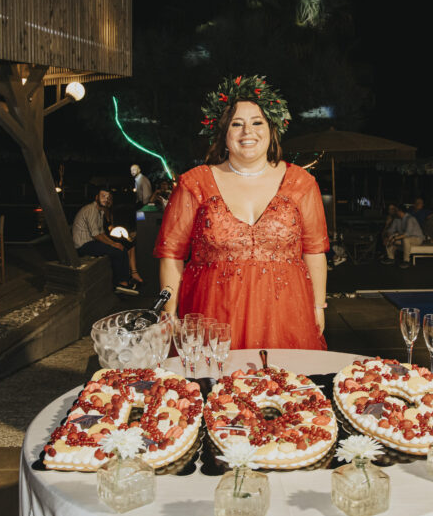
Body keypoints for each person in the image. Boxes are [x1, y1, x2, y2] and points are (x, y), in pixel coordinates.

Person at [155, 75, 328, 350]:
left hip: (286, 318)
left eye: (257, 122)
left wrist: (318, 306)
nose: (248, 132)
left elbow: (314, 250)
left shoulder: (302, 184)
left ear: (272, 129)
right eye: (237, 124)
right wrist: (169, 312)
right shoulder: (194, 184)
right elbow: (171, 253)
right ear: (223, 133)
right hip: (213, 316)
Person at [71, 189, 140, 294]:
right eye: (103, 196)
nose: (106, 199)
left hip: (91, 242)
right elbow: (96, 235)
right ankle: (121, 283)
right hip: (83, 245)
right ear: (96, 197)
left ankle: (125, 281)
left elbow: (102, 233)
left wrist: (115, 243)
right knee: (117, 251)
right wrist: (113, 244)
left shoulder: (100, 211)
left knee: (121, 247)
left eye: (108, 198)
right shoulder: (91, 209)